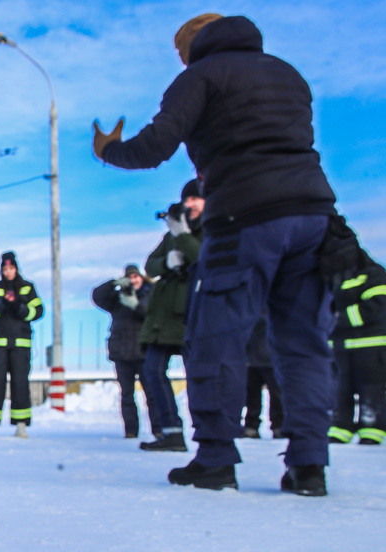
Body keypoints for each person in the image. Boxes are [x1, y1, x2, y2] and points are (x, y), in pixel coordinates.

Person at [94, 14, 338, 495]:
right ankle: (310, 465)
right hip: (313, 217)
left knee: (216, 338)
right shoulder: (287, 73)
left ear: (192, 47)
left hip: (245, 218)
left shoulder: (200, 77)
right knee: (304, 342)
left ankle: (216, 458)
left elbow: (155, 145)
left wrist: (110, 150)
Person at [138, 181, 204, 452]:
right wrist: (168, 262)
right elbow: (150, 266)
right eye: (186, 199)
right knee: (153, 370)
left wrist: (185, 236)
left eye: (195, 199)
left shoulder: (211, 229)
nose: (189, 205)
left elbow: (204, 259)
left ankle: (207, 434)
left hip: (194, 312)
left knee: (198, 376)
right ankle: (171, 431)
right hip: (164, 317)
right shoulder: (171, 235)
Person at [91, 264, 158, 439]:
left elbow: (150, 314)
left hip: (144, 352)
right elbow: (97, 295)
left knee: (152, 394)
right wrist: (113, 283)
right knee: (127, 395)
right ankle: (130, 430)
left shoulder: (150, 294)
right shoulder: (117, 299)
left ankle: (158, 429)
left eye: (136, 277)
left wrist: (136, 305)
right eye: (130, 278)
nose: (133, 281)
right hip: (122, 353)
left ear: (142, 278)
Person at [0, 251, 43, 438]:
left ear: (16, 268)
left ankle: (21, 425)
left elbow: (38, 312)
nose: (8, 272)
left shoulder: (27, 288)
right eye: (5, 269)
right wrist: (0, 304)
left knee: (20, 383)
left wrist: (18, 306)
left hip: (21, 344)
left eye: (11, 268)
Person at [328, 249, 386, 446]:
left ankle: (372, 430)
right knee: (339, 389)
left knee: (371, 389)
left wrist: (339, 319)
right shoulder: (333, 277)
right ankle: (340, 428)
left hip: (371, 345)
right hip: (340, 346)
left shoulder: (374, 274)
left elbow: (378, 306)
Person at [242, 314, 284, 439]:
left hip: (271, 357)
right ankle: (251, 425)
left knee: (277, 394)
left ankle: (278, 425)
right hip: (251, 357)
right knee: (252, 394)